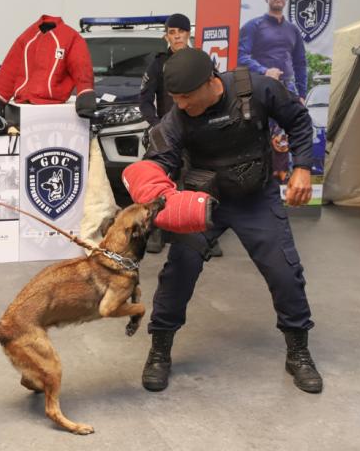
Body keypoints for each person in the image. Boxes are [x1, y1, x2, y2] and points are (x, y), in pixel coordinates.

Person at [122, 48, 322, 395]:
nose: (180, 104)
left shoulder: (257, 89)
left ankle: (298, 353)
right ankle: (159, 351)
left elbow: (299, 120)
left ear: (210, 82)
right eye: (175, 98)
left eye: (186, 97)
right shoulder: (177, 119)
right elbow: (160, 161)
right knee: (178, 272)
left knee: (284, 271)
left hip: (256, 198)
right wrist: (147, 180)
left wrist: (302, 166)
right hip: (201, 203)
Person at [137, 13, 222, 257]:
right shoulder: (158, 64)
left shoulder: (201, 61)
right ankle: (155, 232)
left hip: (198, 130)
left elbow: (216, 92)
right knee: (160, 179)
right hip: (168, 132)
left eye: (181, 32)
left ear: (188, 34)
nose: (176, 37)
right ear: (167, 36)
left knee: (203, 180)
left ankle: (206, 235)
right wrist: (156, 126)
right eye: (172, 33)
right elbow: (144, 100)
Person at [238, 0, 309, 182]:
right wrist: (264, 71)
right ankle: (257, 178)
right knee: (259, 132)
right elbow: (241, 56)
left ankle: (286, 178)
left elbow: (300, 63)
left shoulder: (293, 30)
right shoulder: (253, 26)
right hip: (260, 87)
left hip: (287, 88)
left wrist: (302, 94)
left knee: (288, 134)